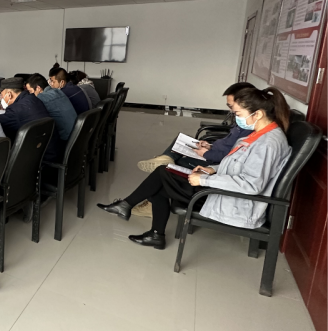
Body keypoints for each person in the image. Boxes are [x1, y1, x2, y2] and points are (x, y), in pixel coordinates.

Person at [97, 87, 292, 250]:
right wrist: (212, 169)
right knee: (162, 179)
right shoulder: (260, 134)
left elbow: (252, 185)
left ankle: (131, 210)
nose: (236, 118)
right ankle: (149, 228)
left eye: (238, 114)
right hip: (224, 189)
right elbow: (238, 164)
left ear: (258, 114)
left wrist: (204, 180)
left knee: (162, 173)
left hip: (232, 200)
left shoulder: (268, 144)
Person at [138, 82, 256, 172]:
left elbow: (231, 156)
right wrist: (210, 146)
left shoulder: (249, 129)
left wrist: (206, 153)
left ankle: (164, 160)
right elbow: (226, 143)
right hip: (213, 151)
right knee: (180, 140)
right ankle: (165, 158)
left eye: (232, 106)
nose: (231, 110)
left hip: (213, 161)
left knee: (174, 165)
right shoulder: (243, 121)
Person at [0, 77, 60, 163]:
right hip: (50, 152)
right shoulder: (33, 99)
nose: (1, 98)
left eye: (1, 94)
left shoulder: (16, 109)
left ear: (9, 94)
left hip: (41, 160)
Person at [25, 73, 76, 145]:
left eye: (30, 91)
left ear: (38, 88)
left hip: (64, 140)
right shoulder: (58, 91)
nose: (30, 95)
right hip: (76, 135)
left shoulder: (41, 98)